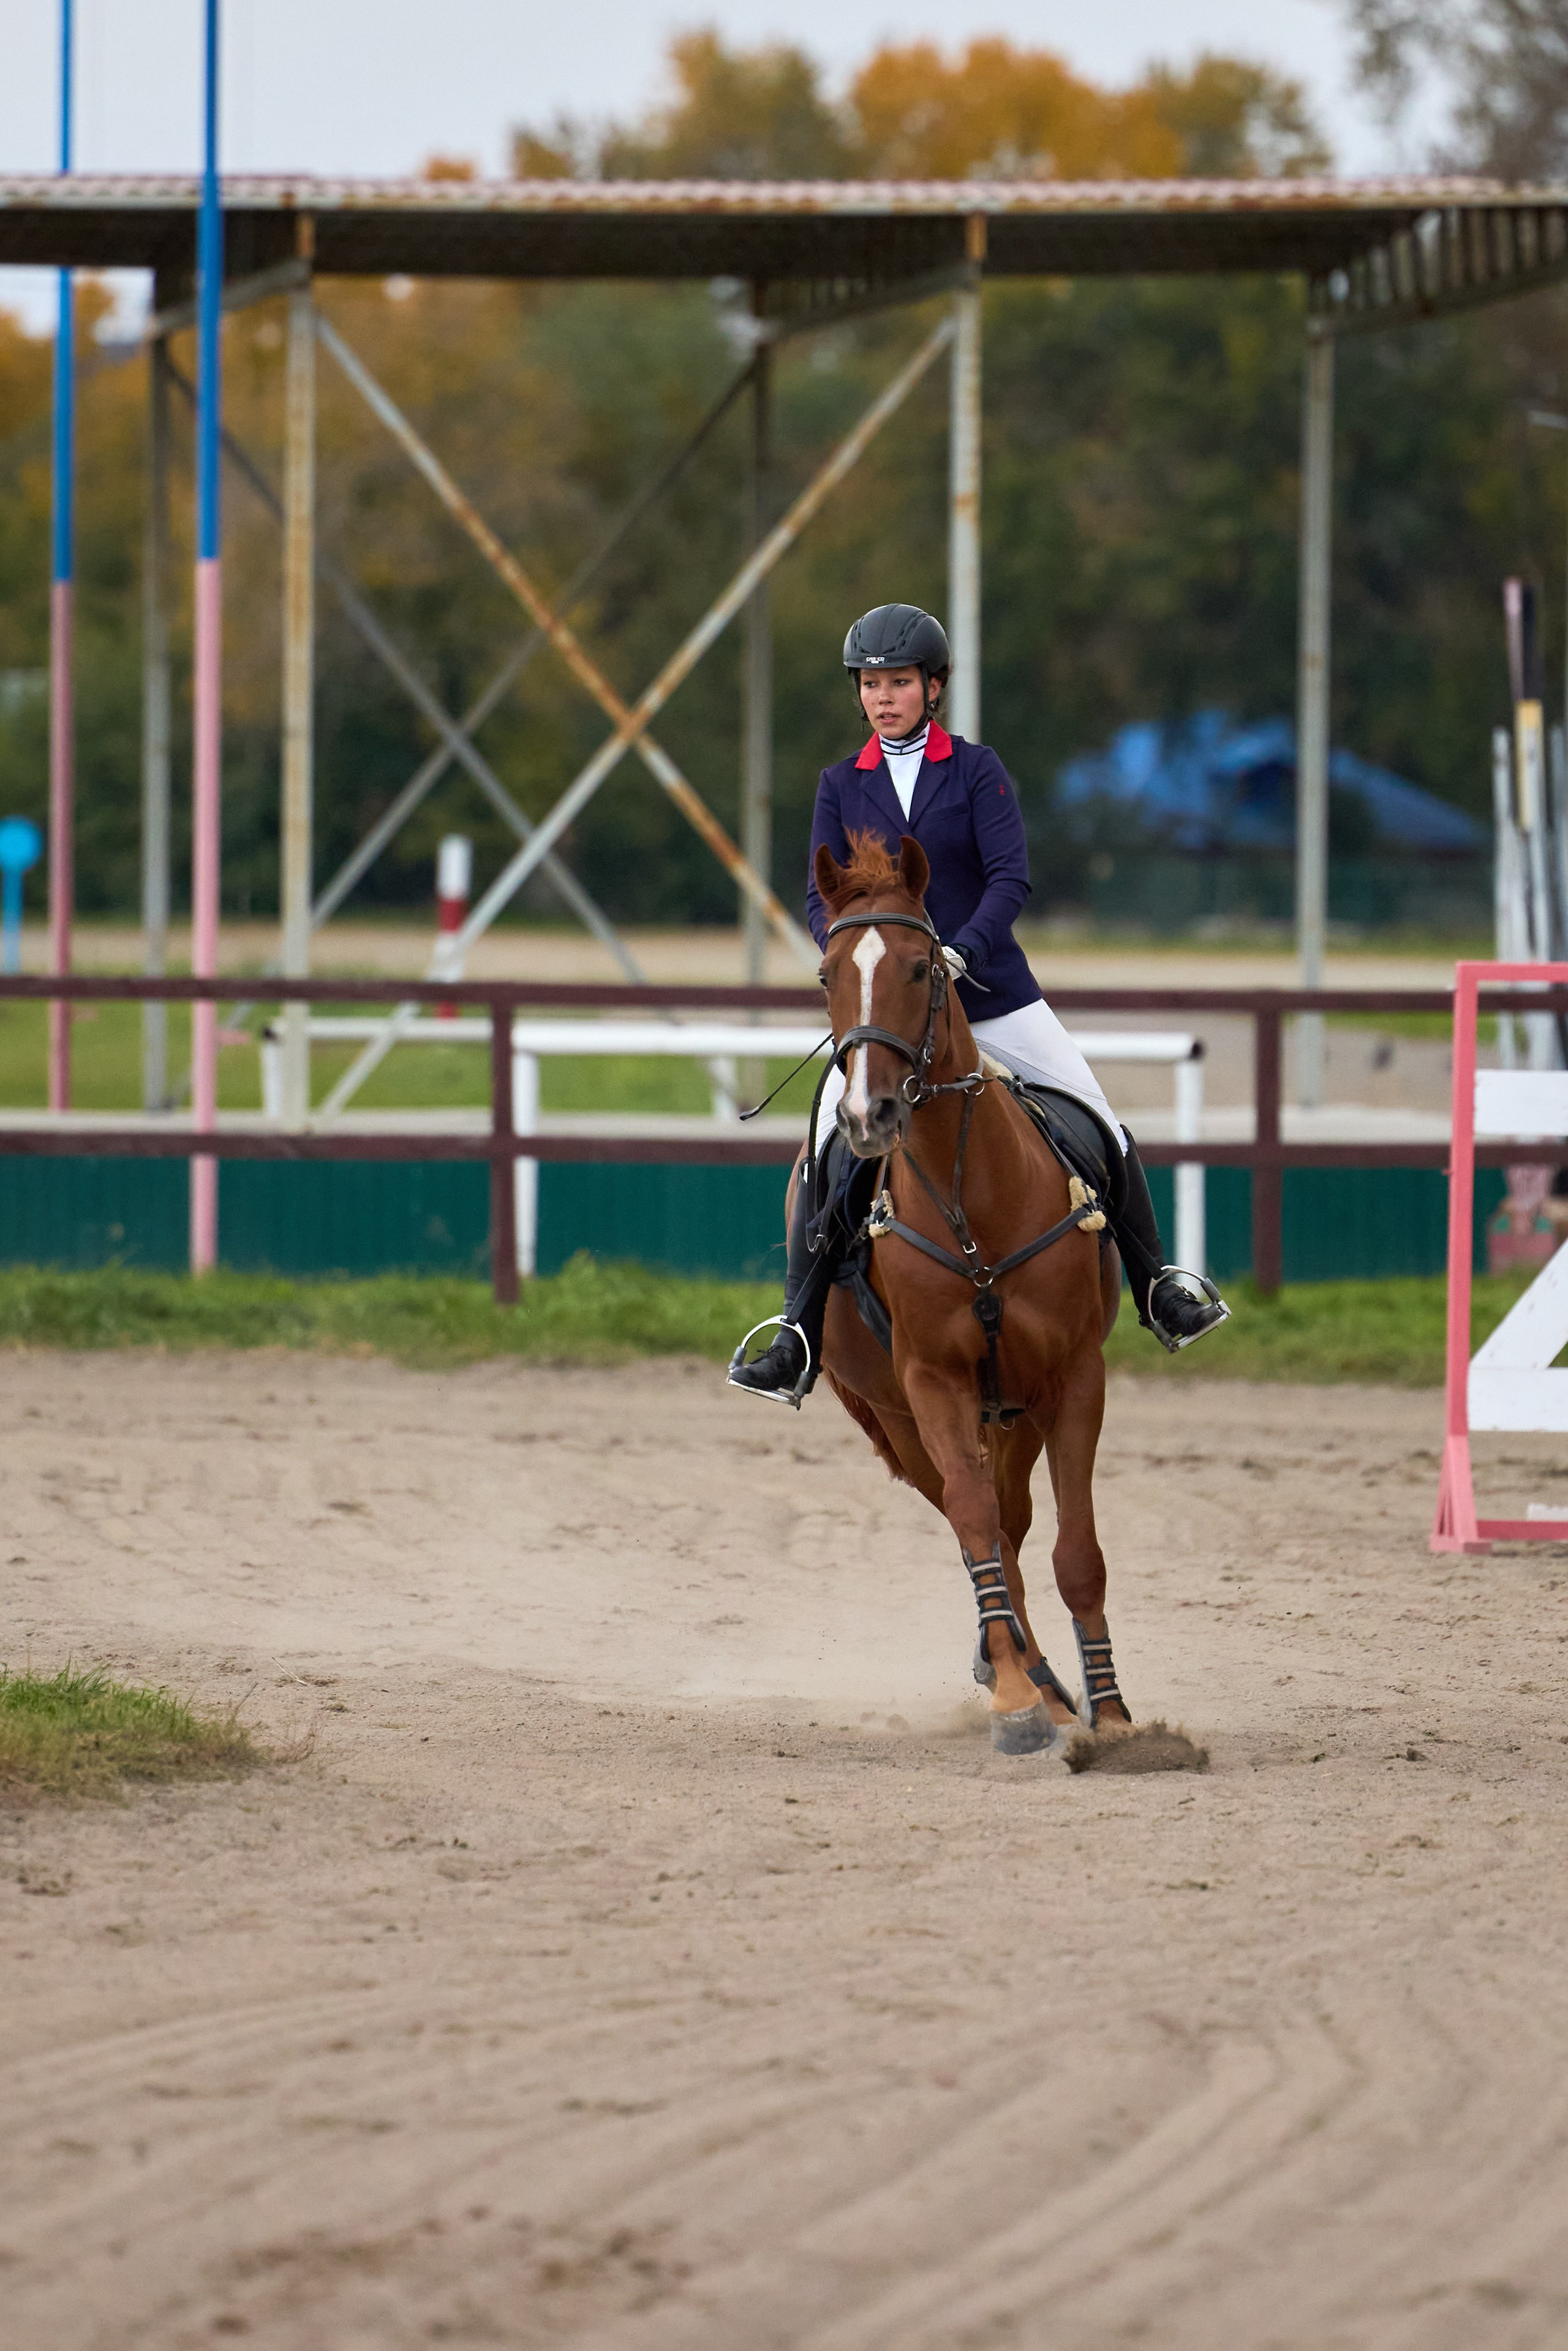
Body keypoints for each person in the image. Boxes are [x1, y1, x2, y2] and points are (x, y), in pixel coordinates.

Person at [729, 602, 1229, 1406]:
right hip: (890, 1014)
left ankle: (1158, 1286)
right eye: (870, 684)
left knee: (1102, 1124)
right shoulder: (839, 785)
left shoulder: (975, 770)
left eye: (898, 682)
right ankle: (797, 1332)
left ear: (933, 687)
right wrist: (852, 956)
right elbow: (822, 896)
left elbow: (1010, 878)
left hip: (992, 995)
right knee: (825, 1150)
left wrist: (961, 950)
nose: (883, 697)